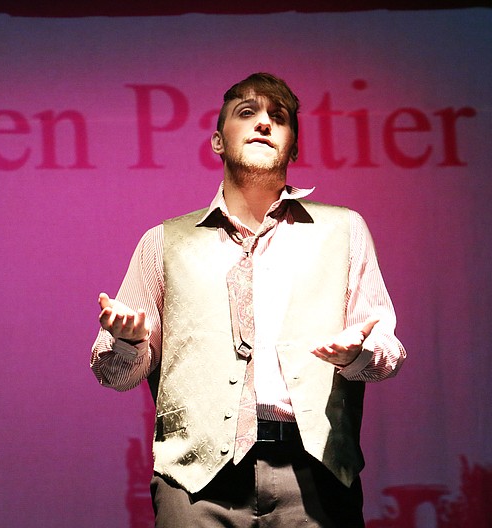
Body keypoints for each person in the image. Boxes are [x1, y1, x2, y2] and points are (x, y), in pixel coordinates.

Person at [90, 72, 406, 527]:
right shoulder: (164, 242)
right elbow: (115, 375)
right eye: (247, 113)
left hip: (313, 475)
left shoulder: (344, 230)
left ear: (293, 149)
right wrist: (127, 344)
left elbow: (388, 353)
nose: (263, 123)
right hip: (195, 484)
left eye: (278, 118)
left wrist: (358, 354)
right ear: (218, 141)